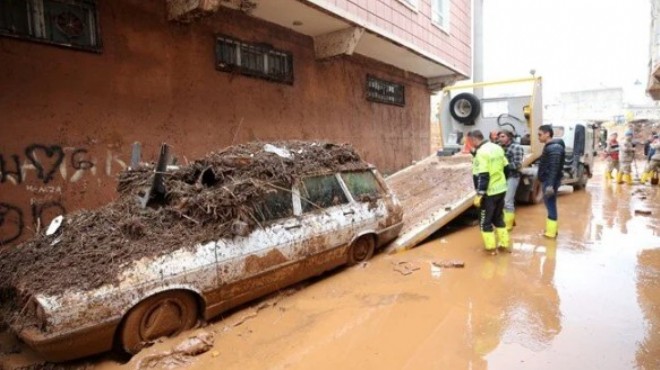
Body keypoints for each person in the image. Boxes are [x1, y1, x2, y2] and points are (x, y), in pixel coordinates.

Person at [467, 129, 510, 254]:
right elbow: (506, 168)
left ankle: (490, 249)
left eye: (471, 141)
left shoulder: (481, 152)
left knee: (485, 222)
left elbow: (484, 175)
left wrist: (480, 193)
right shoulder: (497, 148)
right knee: (498, 218)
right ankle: (504, 244)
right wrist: (502, 182)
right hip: (501, 189)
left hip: (489, 193)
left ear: (475, 139)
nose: (471, 143)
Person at [537, 124, 565, 239]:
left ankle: (551, 232)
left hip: (549, 182)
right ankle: (552, 230)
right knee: (550, 205)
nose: (538, 137)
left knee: (550, 205)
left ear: (547, 134)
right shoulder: (551, 146)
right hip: (549, 181)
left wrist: (550, 185)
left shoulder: (554, 148)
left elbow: (554, 167)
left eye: (540, 134)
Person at [497, 130, 524, 230]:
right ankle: (510, 220)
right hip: (501, 177)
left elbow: (518, 164)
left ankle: (508, 226)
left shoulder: (516, 147)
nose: (500, 139)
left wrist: (504, 167)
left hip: (512, 176)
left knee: (508, 201)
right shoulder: (499, 147)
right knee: (503, 201)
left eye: (503, 136)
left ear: (509, 137)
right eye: (499, 137)